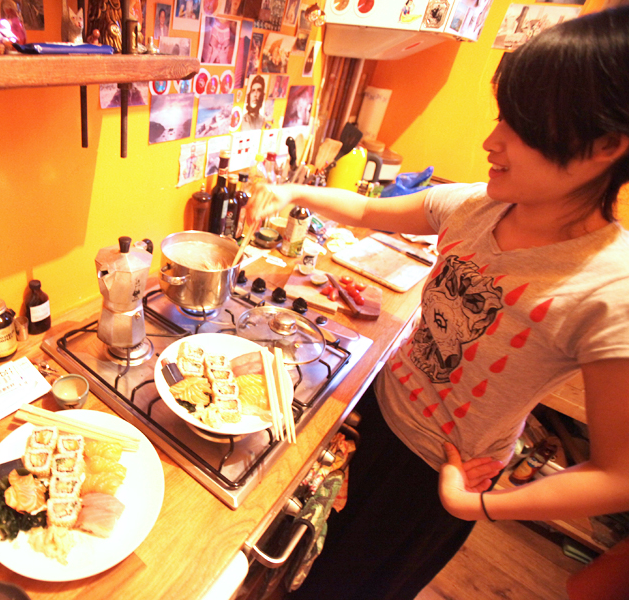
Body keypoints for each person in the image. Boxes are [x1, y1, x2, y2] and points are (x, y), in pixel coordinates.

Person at [247, 7, 629, 599]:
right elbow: (368, 210)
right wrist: (292, 191)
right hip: (369, 416)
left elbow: (617, 475)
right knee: (290, 568)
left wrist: (479, 505)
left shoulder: (611, 288)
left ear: (606, 144)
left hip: (428, 481)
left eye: (522, 126)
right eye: (501, 116)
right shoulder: (477, 205)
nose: (491, 141)